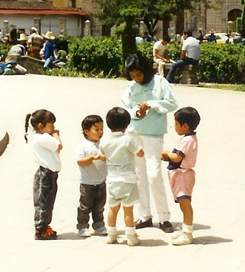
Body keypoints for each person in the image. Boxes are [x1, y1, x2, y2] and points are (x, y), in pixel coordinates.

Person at [120, 53, 178, 233]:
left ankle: (164, 217)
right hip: (135, 134)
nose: (137, 79)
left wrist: (152, 105)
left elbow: (171, 103)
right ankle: (145, 215)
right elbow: (124, 108)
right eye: (133, 76)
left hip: (153, 134)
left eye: (139, 74)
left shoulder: (160, 82)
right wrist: (136, 113)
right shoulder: (130, 87)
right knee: (139, 176)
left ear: (145, 70)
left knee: (154, 175)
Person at [100, 107, 145, 246]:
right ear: (126, 124)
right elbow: (140, 153)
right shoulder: (128, 139)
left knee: (112, 208)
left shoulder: (104, 141)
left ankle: (111, 234)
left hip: (112, 179)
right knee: (128, 209)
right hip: (128, 179)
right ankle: (131, 236)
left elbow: (102, 157)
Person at [162, 106, 201, 246]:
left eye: (176, 125)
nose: (175, 127)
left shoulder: (187, 141)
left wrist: (167, 153)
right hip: (181, 175)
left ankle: (188, 233)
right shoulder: (189, 138)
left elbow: (177, 157)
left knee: (185, 203)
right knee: (183, 203)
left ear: (185, 126)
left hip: (183, 175)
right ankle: (185, 229)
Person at [25, 109, 62, 241]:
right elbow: (59, 145)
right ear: (41, 126)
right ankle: (41, 229)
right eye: (51, 125)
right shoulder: (43, 138)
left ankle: (45, 226)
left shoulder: (36, 136)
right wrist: (57, 135)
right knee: (44, 202)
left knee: (46, 200)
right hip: (46, 174)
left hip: (49, 173)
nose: (53, 128)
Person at [76, 115, 108, 238]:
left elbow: (108, 159)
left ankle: (99, 225)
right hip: (87, 183)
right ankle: (83, 226)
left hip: (101, 182)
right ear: (86, 131)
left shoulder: (103, 144)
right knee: (85, 207)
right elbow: (79, 161)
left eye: (102, 129)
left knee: (99, 207)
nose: (100, 132)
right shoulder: (83, 146)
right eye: (96, 129)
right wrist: (90, 158)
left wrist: (104, 158)